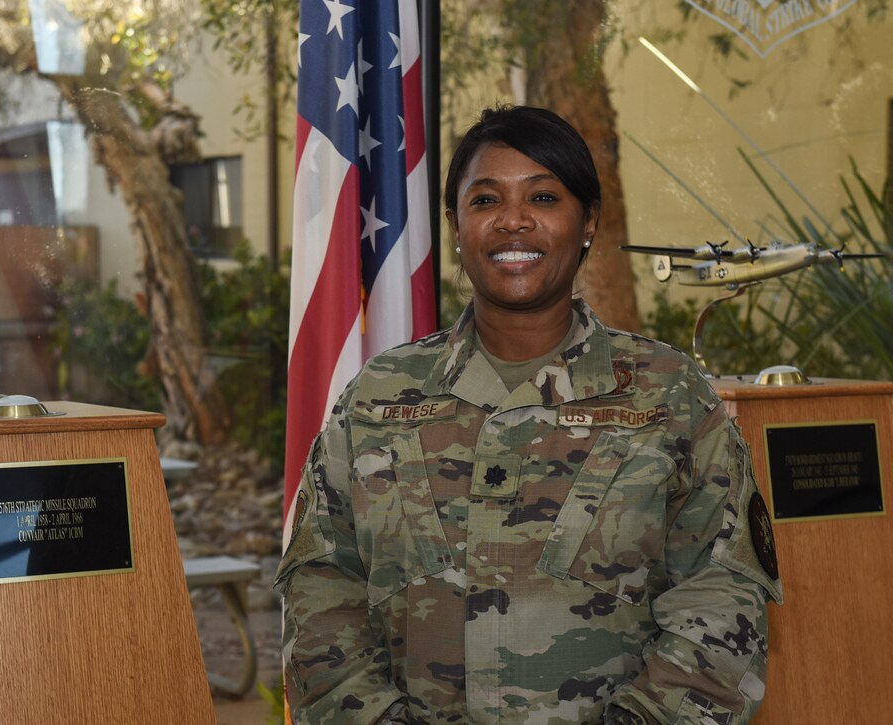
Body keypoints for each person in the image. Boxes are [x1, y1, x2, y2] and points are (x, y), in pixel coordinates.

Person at [276, 105, 783, 724]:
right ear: (455, 225)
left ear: (588, 221)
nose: (513, 221)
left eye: (543, 197)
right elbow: (322, 587)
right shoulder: (380, 395)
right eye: (486, 200)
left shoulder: (669, 396)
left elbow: (722, 597)